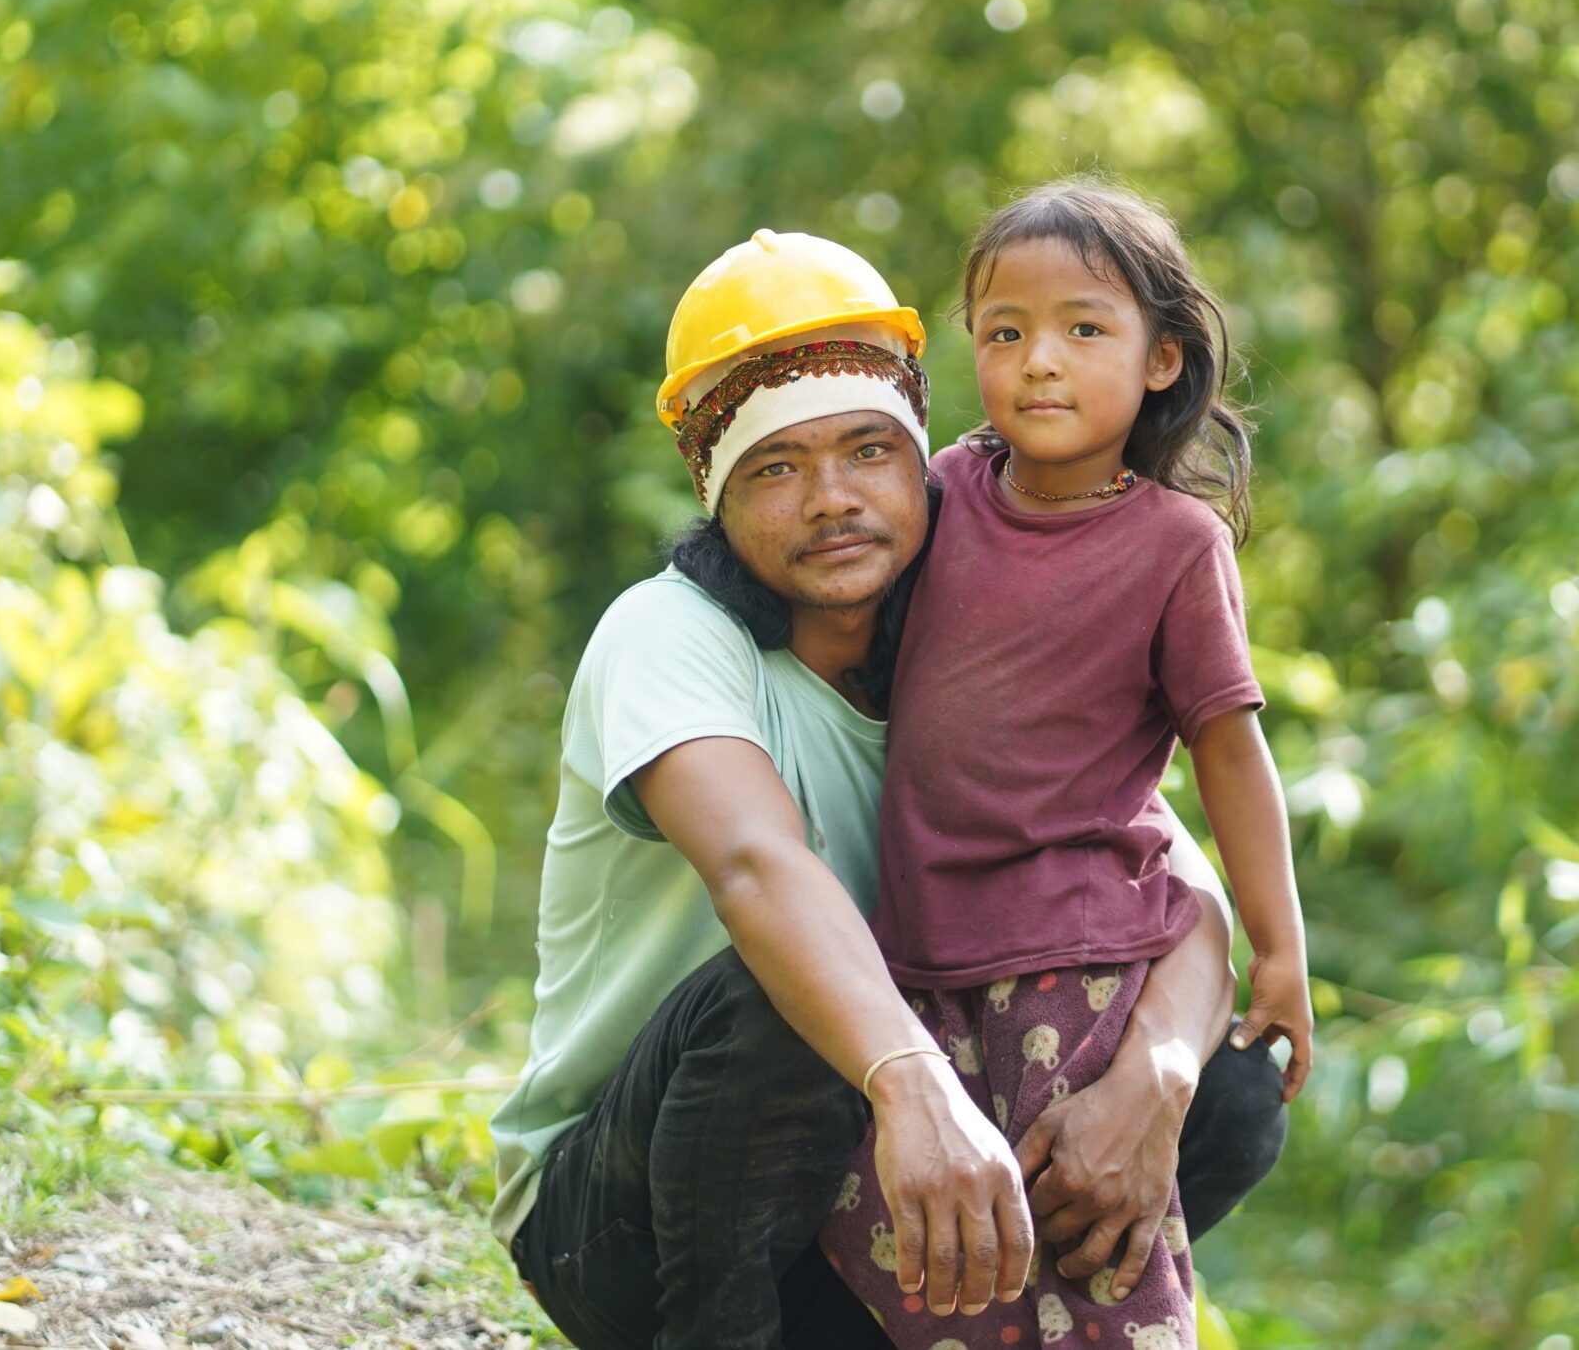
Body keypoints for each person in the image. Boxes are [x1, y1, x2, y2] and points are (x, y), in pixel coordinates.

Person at [487, 229, 1289, 1350]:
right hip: (631, 1215)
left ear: (919, 461)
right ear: (714, 488)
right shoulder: (667, 636)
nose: (831, 500)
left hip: (873, 1188)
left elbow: (1166, 865)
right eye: (775, 467)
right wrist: (912, 1085)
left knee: (1233, 1089)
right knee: (784, 1004)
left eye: (868, 452)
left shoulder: (974, 625)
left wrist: (1153, 1073)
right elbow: (757, 871)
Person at [816, 180, 1311, 1346]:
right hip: (917, 964)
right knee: (928, 1255)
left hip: (1075, 967)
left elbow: (1230, 755)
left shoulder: (1175, 548)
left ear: (1160, 360)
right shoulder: (937, 496)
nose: (1040, 360)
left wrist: (1281, 947)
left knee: (1082, 1254)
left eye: (1083, 329)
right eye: (1005, 332)